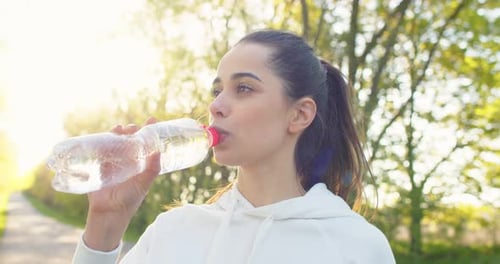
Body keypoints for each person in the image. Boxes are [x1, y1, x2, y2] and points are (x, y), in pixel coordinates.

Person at [72, 29, 395, 263]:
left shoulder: (357, 246)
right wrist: (106, 222)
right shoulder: (174, 230)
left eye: (243, 88)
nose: (216, 106)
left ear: (299, 114)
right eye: (217, 91)